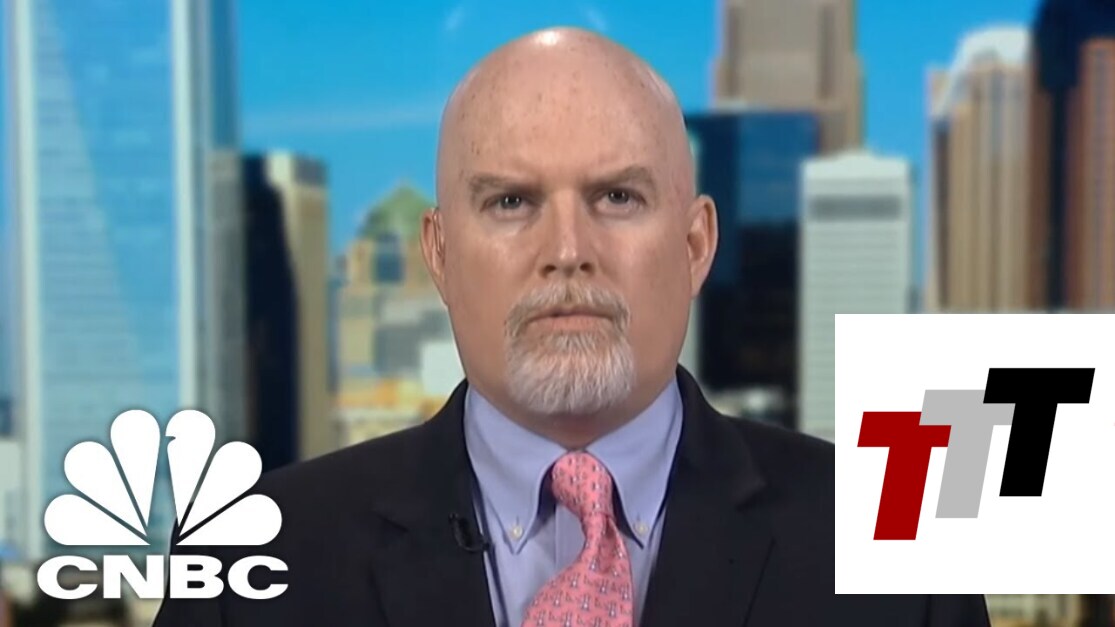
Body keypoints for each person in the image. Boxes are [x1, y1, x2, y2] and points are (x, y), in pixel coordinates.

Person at [153, 27, 991, 627]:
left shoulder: (897, 547)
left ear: (695, 244)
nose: (566, 250)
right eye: (510, 201)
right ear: (439, 253)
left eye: (616, 197)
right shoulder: (249, 560)